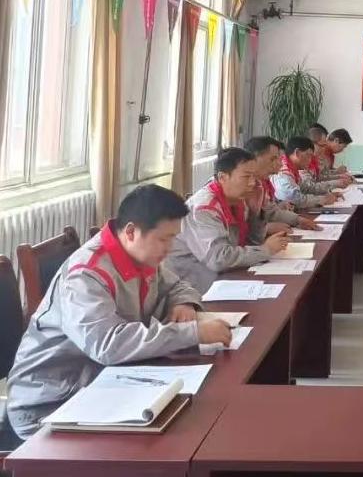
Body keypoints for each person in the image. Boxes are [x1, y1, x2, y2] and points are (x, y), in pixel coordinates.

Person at [4, 185, 233, 438]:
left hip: (101, 382)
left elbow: (177, 285)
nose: (170, 248)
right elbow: (108, 344)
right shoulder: (86, 274)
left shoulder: (140, 254)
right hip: (49, 403)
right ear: (131, 231)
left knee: (191, 415)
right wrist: (193, 333)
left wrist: (184, 304)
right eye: (164, 239)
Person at [168, 147, 289, 292]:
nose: (253, 183)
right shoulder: (204, 208)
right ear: (222, 177)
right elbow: (218, 259)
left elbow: (252, 242)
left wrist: (254, 213)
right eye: (246, 177)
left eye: (254, 177)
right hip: (194, 285)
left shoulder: (238, 200)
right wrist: (266, 250)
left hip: (224, 277)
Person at [243, 136, 320, 234]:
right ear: (253, 158)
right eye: (273, 159)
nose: (279, 164)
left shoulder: (260, 184)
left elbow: (270, 211)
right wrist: (265, 229)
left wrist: (298, 220)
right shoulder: (240, 188)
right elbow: (236, 233)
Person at [271, 136, 341, 209]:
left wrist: (326, 195)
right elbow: (293, 199)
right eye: (308, 155)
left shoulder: (293, 169)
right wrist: (322, 199)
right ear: (297, 153)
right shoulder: (283, 172)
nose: (310, 160)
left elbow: (306, 188)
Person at [306, 124, 354, 188]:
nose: (324, 148)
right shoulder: (305, 160)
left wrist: (340, 176)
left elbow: (319, 177)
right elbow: (310, 187)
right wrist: (336, 181)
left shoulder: (316, 156)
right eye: (322, 145)